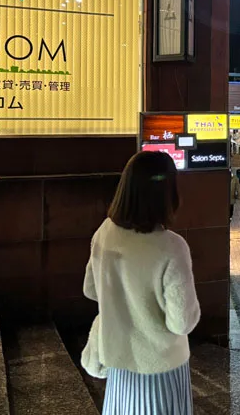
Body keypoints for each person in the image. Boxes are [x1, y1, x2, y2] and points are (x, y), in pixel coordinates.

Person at [81, 151, 200, 415]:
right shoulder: (171, 247)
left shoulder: (104, 233)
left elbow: (90, 289)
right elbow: (182, 322)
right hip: (161, 368)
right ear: (167, 194)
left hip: (118, 360)